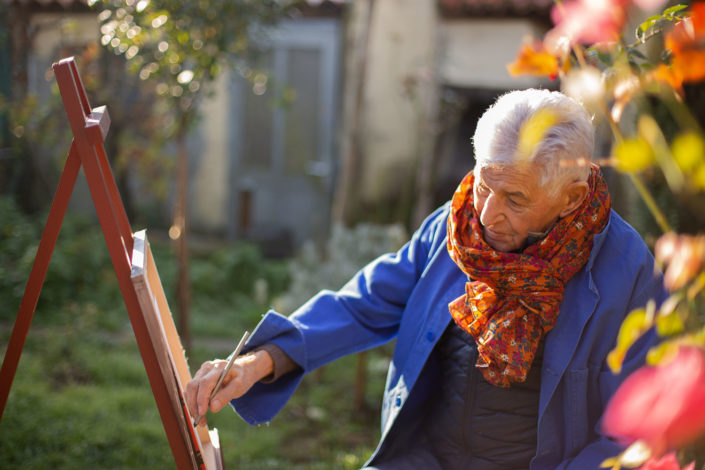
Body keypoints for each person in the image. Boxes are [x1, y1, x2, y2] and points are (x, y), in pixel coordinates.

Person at [185, 89, 667, 469]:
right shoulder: (454, 227)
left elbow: (633, 431)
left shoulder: (627, 273)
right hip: (423, 460)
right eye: (483, 185)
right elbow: (363, 305)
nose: (488, 213)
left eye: (515, 199)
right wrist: (261, 361)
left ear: (570, 196)